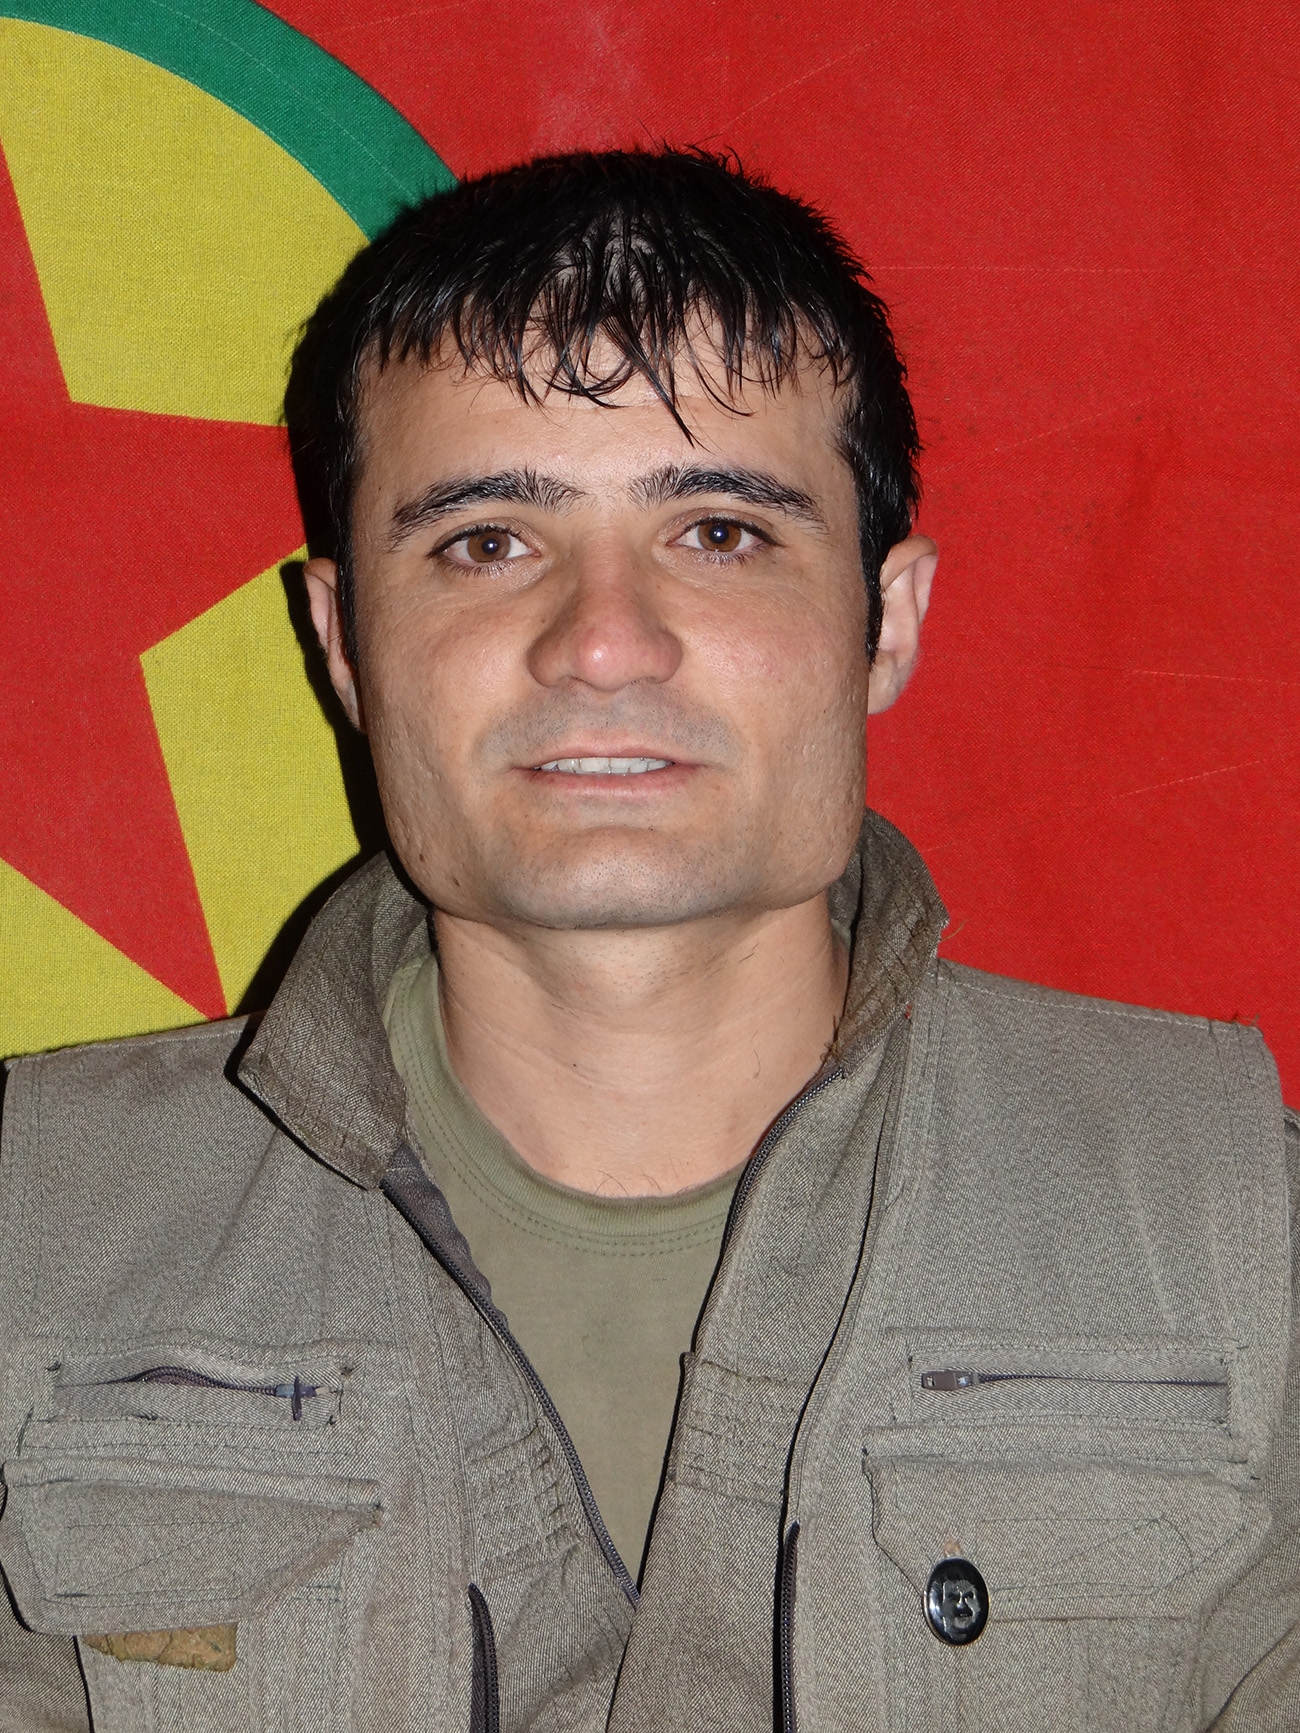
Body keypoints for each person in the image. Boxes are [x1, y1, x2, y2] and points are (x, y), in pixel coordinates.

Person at [0, 149, 1295, 1733]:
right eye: (487, 541)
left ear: (887, 620)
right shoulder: (34, 1248)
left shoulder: (1241, 1239)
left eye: (721, 532)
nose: (603, 640)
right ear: (342, 642)